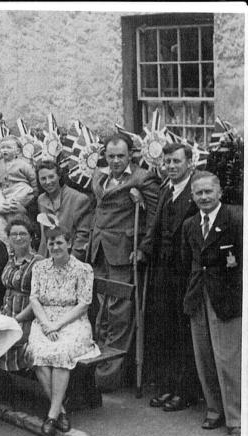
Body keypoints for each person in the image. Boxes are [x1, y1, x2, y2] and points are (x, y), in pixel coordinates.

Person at [89, 134, 159, 390]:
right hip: (99, 250)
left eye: (121, 156)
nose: (116, 161)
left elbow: (154, 216)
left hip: (124, 253)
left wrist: (143, 248)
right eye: (111, 156)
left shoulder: (142, 178)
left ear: (131, 154)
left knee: (120, 311)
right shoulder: (99, 176)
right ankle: (97, 365)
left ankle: (110, 376)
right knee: (102, 310)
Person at [136, 143, 199, 412]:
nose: (171, 166)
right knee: (164, 329)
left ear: (189, 163)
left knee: (183, 331)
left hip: (185, 272)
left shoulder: (196, 192)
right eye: (168, 162)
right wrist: (144, 249)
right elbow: (155, 226)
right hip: (162, 270)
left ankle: (185, 392)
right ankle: (167, 386)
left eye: (176, 161)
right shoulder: (166, 189)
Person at [181, 172, 242, 436]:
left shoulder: (236, 219)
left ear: (219, 193)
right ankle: (215, 409)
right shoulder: (190, 224)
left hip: (227, 297)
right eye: (199, 193)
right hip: (198, 295)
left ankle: (237, 420)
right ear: (193, 196)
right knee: (204, 357)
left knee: (228, 360)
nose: (204, 197)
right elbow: (187, 261)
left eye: (208, 191)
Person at [27, 226, 99, 436]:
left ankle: (51, 416)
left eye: (59, 242)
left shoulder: (83, 269)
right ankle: (61, 412)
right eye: (51, 243)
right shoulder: (40, 267)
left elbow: (84, 304)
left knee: (60, 352)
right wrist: (46, 324)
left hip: (73, 321)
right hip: (44, 320)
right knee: (37, 353)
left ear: (69, 243)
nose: (55, 247)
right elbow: (34, 299)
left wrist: (56, 325)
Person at [0, 216, 44, 371]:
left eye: (22, 234)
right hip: (6, 314)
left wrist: (16, 319)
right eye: (13, 234)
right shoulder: (10, 260)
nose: (18, 237)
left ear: (31, 237)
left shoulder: (38, 262)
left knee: (6, 338)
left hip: (26, 319)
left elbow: (38, 300)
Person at [36, 160, 91, 259]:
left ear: (59, 176)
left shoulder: (78, 199)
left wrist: (71, 262)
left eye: (51, 177)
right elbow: (44, 238)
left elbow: (83, 237)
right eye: (43, 178)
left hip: (70, 258)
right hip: (47, 259)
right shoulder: (41, 200)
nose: (48, 182)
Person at [0, 135, 38, 209]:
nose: (5, 150)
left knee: (24, 193)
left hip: (20, 189)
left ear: (17, 151)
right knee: (0, 199)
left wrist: (35, 189)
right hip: (7, 191)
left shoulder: (22, 164)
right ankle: (11, 205)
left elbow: (32, 176)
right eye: (2, 147)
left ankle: (17, 205)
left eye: (9, 147)